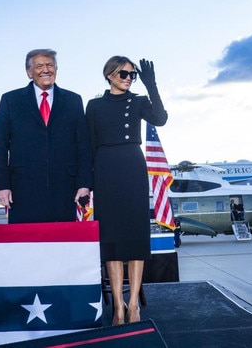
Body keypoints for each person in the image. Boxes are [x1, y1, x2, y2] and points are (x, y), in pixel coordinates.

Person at [86, 56, 168, 325]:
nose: (128, 78)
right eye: (123, 73)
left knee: (134, 237)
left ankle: (133, 305)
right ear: (109, 74)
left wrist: (151, 85)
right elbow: (89, 145)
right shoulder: (95, 105)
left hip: (132, 166)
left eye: (132, 74)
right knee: (112, 241)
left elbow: (161, 118)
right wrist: (88, 181)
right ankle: (118, 308)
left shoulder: (139, 101)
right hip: (106, 169)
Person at [0, 49, 91, 223]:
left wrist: (84, 183)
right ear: (29, 72)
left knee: (62, 244)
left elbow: (82, 145)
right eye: (39, 66)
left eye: (50, 65)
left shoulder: (73, 100)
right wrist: (1, 185)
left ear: (56, 69)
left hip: (64, 189)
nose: (46, 70)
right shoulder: (10, 100)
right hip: (22, 190)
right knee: (26, 245)